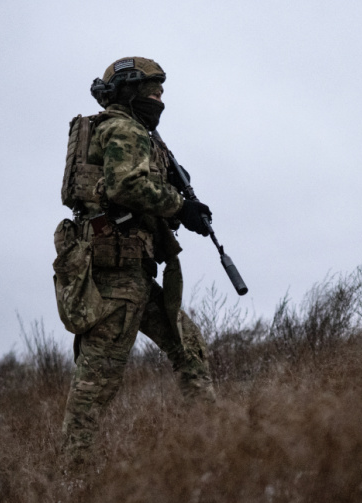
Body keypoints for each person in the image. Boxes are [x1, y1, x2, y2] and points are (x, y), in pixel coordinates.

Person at [54, 56, 216, 462]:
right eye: (152, 91)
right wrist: (180, 208)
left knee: (189, 346)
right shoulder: (124, 128)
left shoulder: (127, 130)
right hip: (117, 279)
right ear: (129, 91)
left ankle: (216, 447)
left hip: (132, 273)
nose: (159, 99)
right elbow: (126, 185)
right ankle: (73, 478)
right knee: (96, 383)